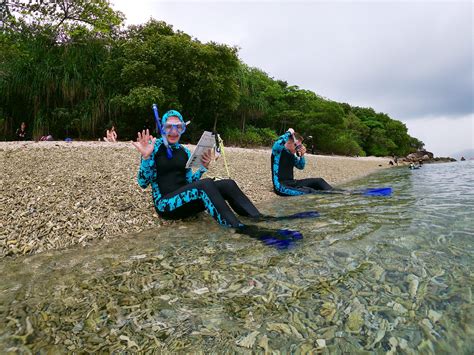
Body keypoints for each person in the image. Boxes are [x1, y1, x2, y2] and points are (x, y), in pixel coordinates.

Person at [132, 110, 306, 247]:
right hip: (166, 204)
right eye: (169, 127)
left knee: (227, 184)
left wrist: (203, 168)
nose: (174, 131)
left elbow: (189, 183)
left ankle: (260, 218)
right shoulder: (153, 148)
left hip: (183, 199)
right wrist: (146, 158)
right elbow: (143, 182)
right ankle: (244, 230)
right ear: (162, 128)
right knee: (206, 185)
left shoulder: (184, 152)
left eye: (179, 127)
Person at [271, 128, 333, 196]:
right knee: (310, 192)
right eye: (298, 146)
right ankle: (334, 195)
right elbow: (278, 142)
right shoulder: (278, 151)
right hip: (280, 186)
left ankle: (341, 193)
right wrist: (289, 132)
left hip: (292, 183)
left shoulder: (291, 155)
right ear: (289, 142)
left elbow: (301, 166)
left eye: (300, 146)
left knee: (319, 181)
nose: (299, 148)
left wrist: (302, 155)